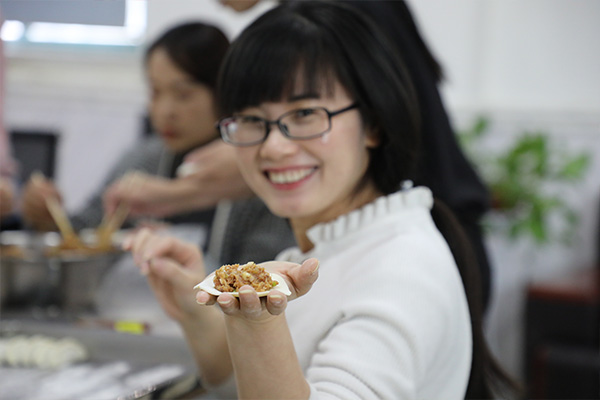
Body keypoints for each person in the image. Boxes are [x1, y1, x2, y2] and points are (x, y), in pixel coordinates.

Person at [125, 2, 519, 399]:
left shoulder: (400, 271)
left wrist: (259, 321)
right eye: (252, 120)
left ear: (373, 123)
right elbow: (242, 388)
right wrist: (196, 309)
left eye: (305, 114)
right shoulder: (328, 246)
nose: (274, 147)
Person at [19, 21, 294, 264]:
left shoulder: (254, 174)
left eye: (183, 95)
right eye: (155, 92)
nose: (164, 111)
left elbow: (262, 272)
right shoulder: (142, 159)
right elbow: (85, 233)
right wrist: (48, 218)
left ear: (222, 92)